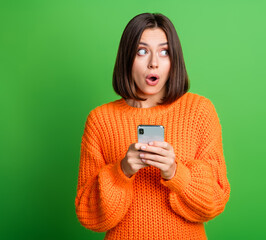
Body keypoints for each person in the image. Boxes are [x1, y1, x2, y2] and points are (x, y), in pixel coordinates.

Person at [75, 13, 230, 240]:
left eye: (164, 52)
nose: (154, 62)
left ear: (174, 59)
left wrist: (175, 173)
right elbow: (88, 213)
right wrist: (123, 170)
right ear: (127, 57)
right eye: (142, 51)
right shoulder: (100, 120)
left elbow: (216, 200)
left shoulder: (200, 111)